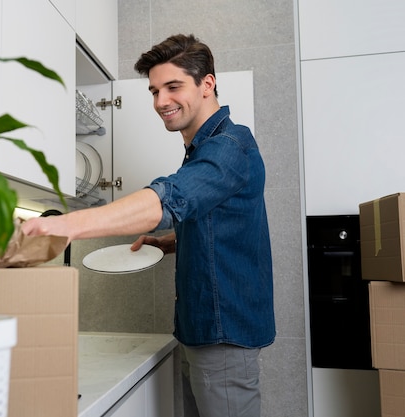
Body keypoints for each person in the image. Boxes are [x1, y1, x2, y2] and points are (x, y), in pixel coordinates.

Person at [22, 34, 275, 417]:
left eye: (173, 87)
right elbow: (220, 218)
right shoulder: (206, 149)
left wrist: (69, 225)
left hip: (222, 335)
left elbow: (167, 199)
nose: (160, 102)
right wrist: (176, 240)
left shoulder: (228, 146)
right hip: (206, 330)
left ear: (207, 84)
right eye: (155, 90)